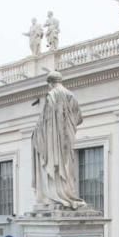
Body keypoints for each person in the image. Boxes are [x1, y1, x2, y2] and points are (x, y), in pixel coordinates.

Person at [32, 71, 85, 209]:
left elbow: (47, 122)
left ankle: (55, 194)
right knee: (66, 167)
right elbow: (79, 118)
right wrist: (69, 125)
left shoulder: (52, 95)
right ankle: (67, 193)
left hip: (53, 142)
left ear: (50, 83)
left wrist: (38, 133)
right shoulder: (71, 95)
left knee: (54, 164)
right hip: (68, 138)